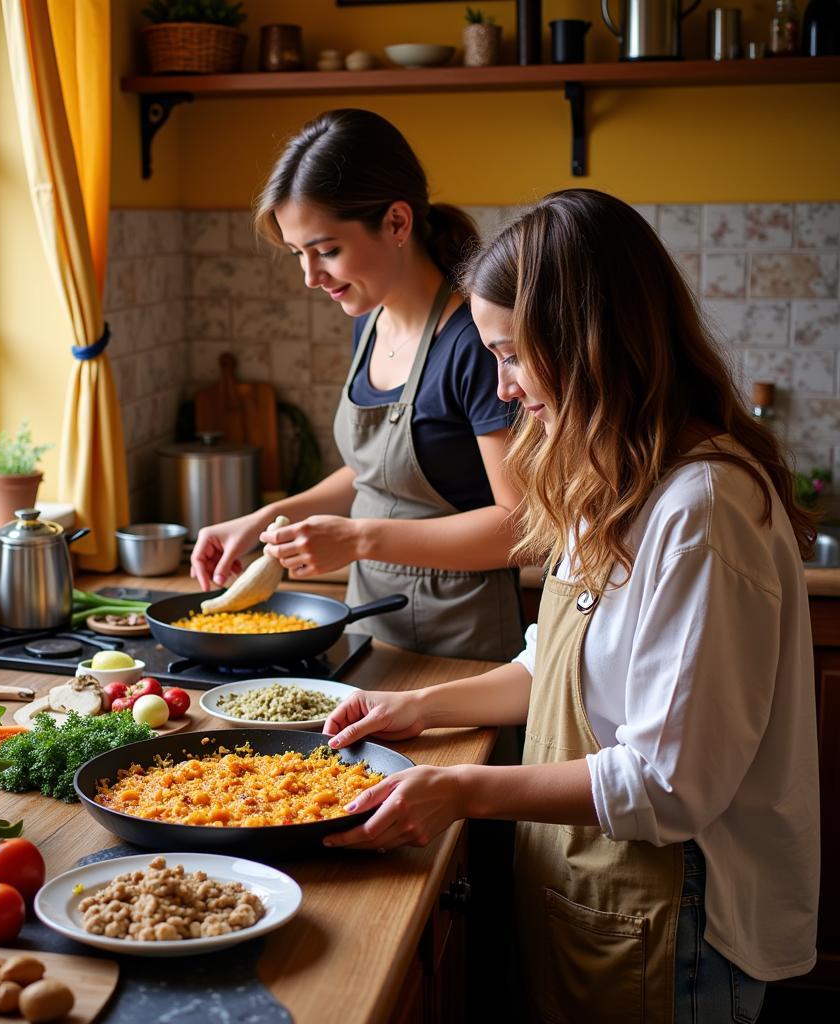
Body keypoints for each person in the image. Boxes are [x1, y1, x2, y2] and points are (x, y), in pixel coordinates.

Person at [321, 189, 820, 1022]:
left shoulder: (701, 510)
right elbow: (552, 665)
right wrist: (417, 708)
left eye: (513, 356)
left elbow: (670, 786)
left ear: (590, 341)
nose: (504, 388)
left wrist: (465, 790)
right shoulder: (606, 475)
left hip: (678, 920)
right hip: (591, 896)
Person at [190, 108, 524, 661]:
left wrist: (359, 538)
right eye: (299, 254)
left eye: (326, 250)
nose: (310, 277)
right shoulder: (369, 324)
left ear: (397, 222)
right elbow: (377, 470)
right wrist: (266, 521)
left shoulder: (474, 343)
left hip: (463, 645)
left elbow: (517, 528)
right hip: (372, 628)